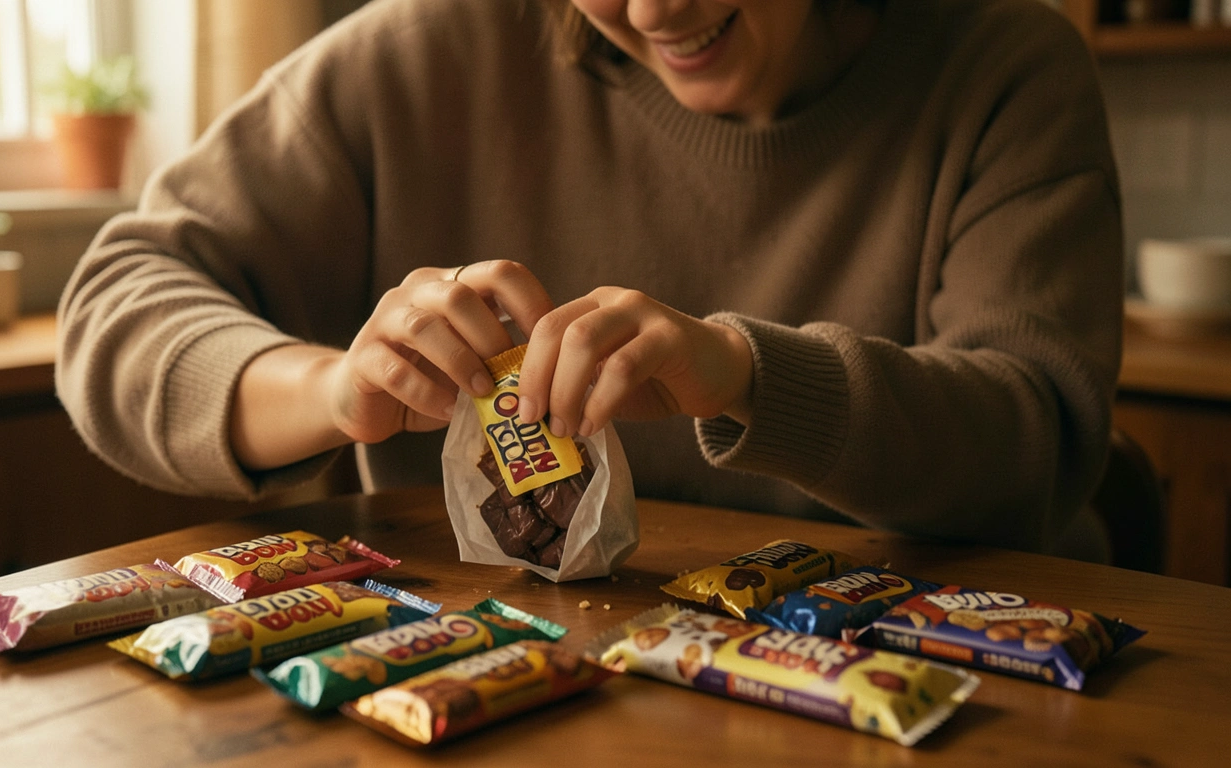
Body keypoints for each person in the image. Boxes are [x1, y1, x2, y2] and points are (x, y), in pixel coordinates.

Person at [56, 0, 1123, 559]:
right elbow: (114, 300)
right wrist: (337, 391)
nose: (656, 9)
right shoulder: (421, 53)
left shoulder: (1005, 68)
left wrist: (747, 373)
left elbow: (1037, 440)